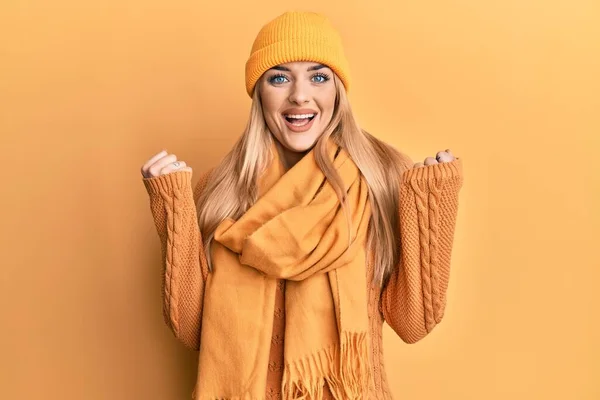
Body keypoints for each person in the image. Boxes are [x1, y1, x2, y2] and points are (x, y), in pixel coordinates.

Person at [140, 10, 463, 400]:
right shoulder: (222, 189)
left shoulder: (380, 178)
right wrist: (172, 208)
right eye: (279, 77)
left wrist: (432, 202)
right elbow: (193, 331)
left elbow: (414, 323)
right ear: (259, 91)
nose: (300, 94)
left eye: (318, 76)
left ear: (337, 91)